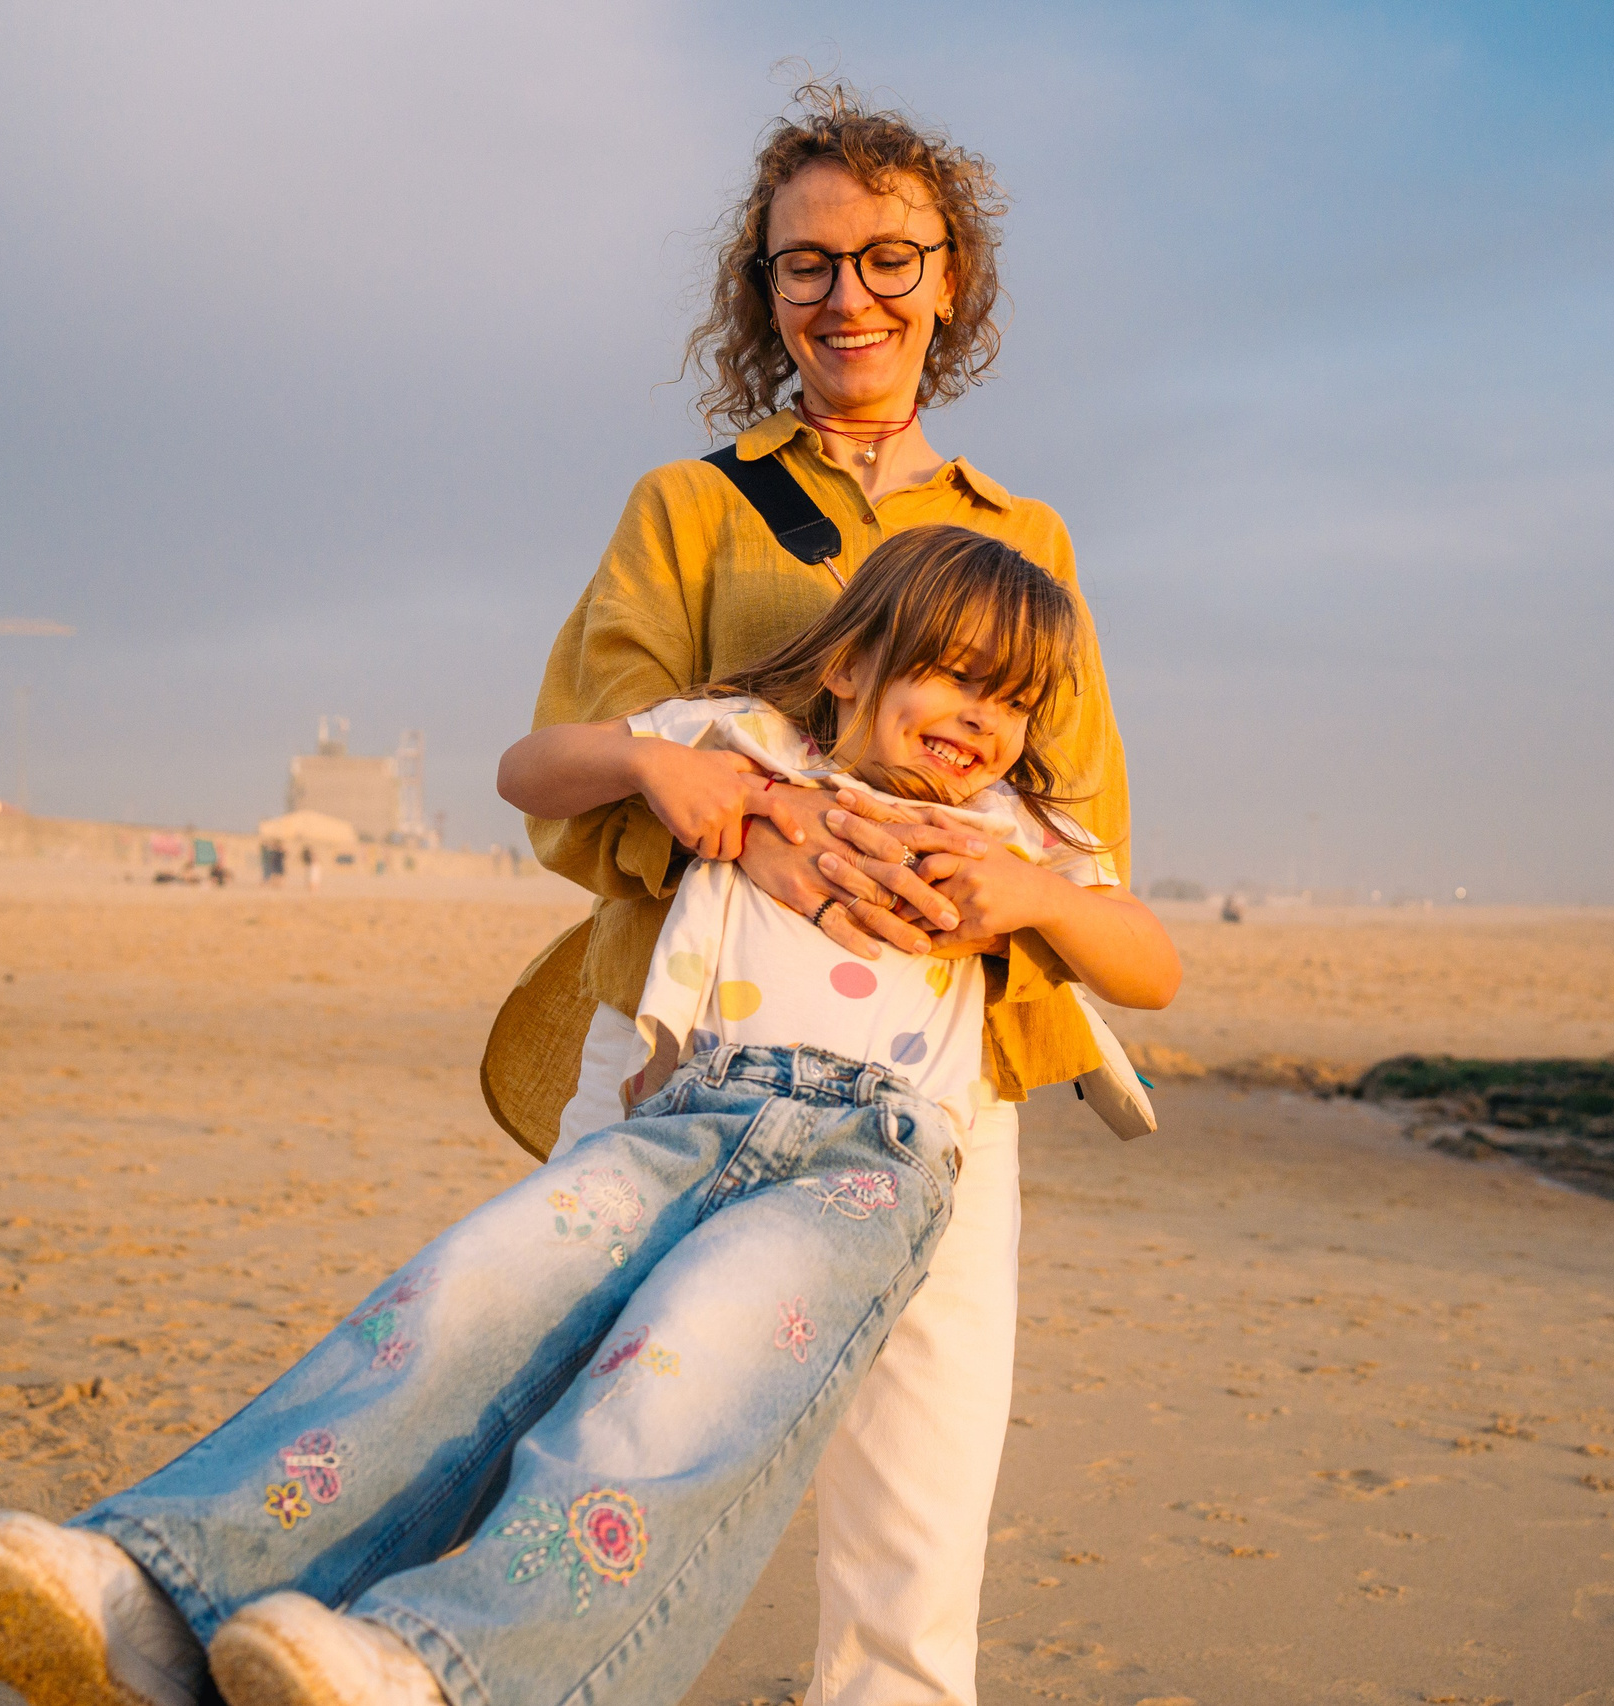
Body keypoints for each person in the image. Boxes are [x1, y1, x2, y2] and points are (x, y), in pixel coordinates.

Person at [0, 528, 1180, 1706]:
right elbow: (526, 770)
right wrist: (657, 765)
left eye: (1011, 696)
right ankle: (159, 1580)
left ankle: (440, 1664)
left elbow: (1148, 964)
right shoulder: (743, 745)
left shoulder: (1018, 832)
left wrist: (1033, 899)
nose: (979, 716)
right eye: (950, 673)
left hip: (868, 1161)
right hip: (689, 1111)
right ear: (850, 664)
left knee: (675, 1381)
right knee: (459, 1297)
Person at [482, 81, 1131, 1706]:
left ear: (951, 281)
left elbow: (1086, 817)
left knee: (917, 1535)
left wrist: (998, 902)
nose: (851, 294)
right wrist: (761, 830)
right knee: (576, 1437)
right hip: (685, 1041)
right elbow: (599, 760)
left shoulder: (1022, 535)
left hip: (942, 1086)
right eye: (807, 263)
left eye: (890, 256)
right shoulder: (689, 505)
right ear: (761, 291)